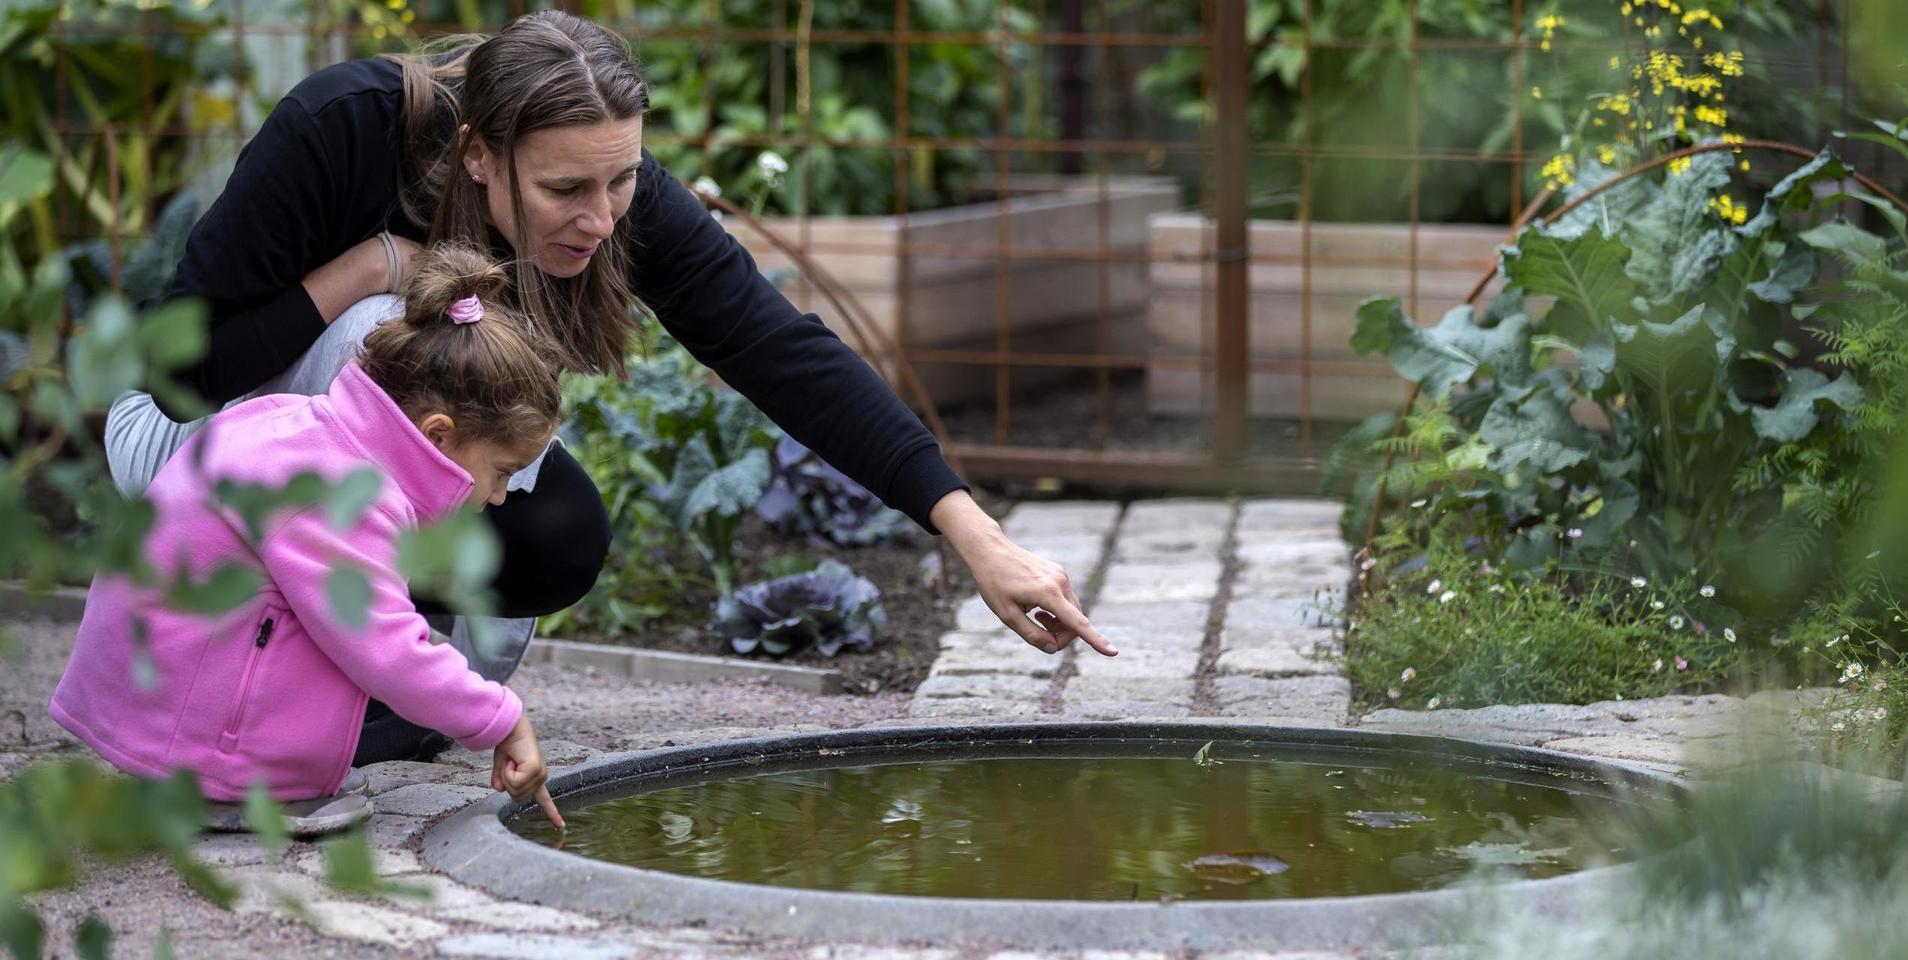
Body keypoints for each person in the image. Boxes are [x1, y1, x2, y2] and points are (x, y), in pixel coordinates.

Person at [105, 10, 1116, 764]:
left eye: (621, 181)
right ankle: (251, 697)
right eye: (565, 191)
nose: (599, 217)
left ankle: (366, 714)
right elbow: (177, 374)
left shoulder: (610, 187)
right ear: (478, 154)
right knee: (390, 340)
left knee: (553, 533)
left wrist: (976, 533)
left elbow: (779, 349)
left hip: (343, 462)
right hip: (189, 454)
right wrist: (368, 267)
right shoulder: (342, 128)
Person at [54, 245, 569, 836]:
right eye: (502, 472)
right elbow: (387, 649)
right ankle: (232, 786)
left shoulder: (297, 423)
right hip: (192, 736)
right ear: (439, 435)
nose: (502, 496)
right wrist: (502, 721)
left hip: (147, 700)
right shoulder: (344, 491)